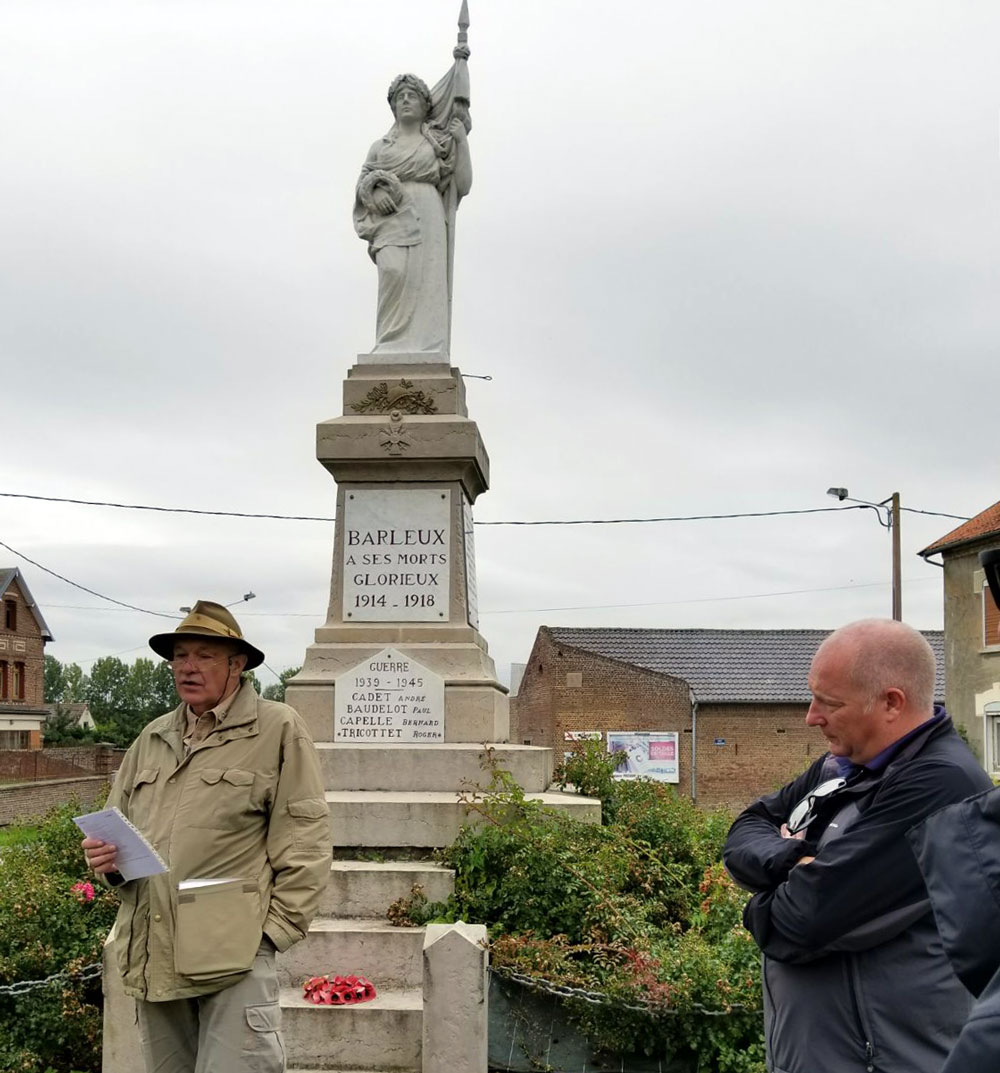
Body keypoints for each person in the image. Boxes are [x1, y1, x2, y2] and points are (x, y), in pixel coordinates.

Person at [723, 618, 992, 1073]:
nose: (811, 717)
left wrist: (759, 903)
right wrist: (793, 859)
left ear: (891, 703)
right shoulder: (840, 767)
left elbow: (801, 921)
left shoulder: (941, 785)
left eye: (828, 703)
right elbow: (744, 830)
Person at [81, 600, 331, 1073]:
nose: (187, 667)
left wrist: (270, 935)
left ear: (237, 665)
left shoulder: (278, 728)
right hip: (154, 949)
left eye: (203, 655)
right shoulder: (151, 738)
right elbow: (117, 827)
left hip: (234, 954)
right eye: (179, 656)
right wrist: (106, 860)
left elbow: (306, 839)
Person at [353, 63, 472, 358]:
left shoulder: (435, 144)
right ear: (393, 106)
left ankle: (426, 348)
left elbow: (463, 183)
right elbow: (362, 185)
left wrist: (461, 141)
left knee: (428, 282)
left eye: (412, 95)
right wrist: (376, 192)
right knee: (393, 271)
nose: (405, 100)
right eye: (400, 96)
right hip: (391, 217)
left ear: (424, 104)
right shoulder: (380, 148)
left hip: (427, 210)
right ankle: (390, 344)